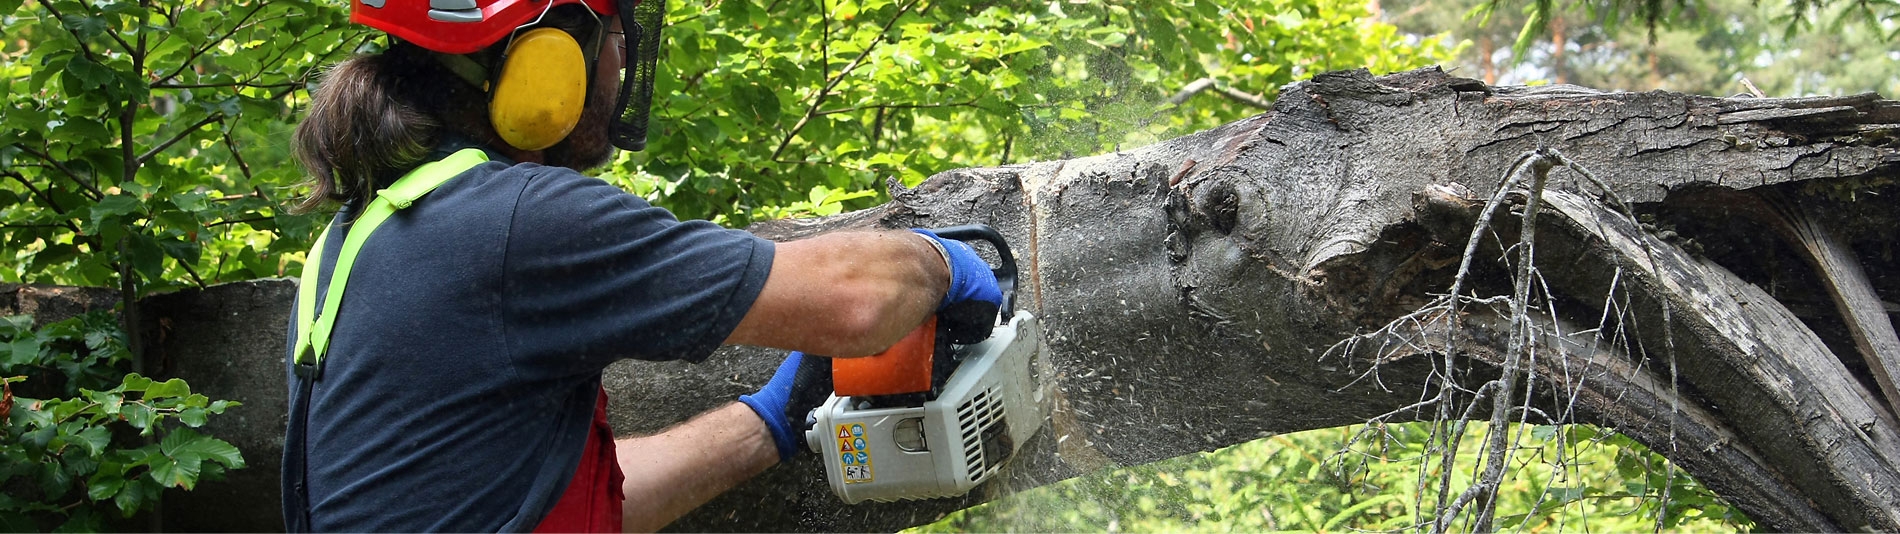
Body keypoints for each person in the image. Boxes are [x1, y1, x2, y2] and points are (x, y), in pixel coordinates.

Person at [280, 0, 1002, 531]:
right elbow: (855, 302)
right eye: (614, 35)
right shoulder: (516, 219)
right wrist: (942, 261)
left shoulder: (350, 252)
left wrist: (770, 423)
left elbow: (559, 506)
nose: (621, 63)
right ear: (548, 54)